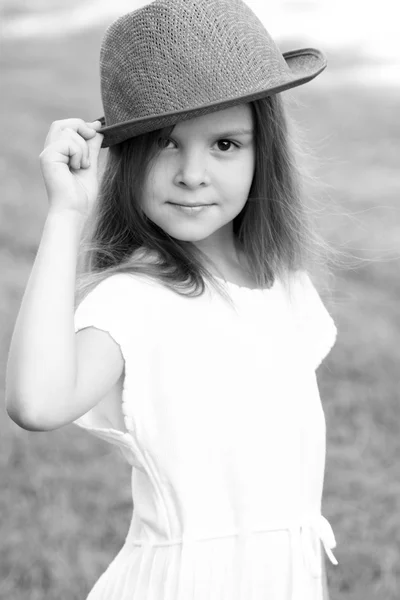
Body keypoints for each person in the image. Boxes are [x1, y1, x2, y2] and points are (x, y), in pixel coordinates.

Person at [5, 0, 340, 598]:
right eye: (165, 143)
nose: (191, 173)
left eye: (226, 145)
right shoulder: (137, 299)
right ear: (127, 158)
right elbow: (37, 403)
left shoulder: (286, 289)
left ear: (265, 154)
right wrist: (66, 213)